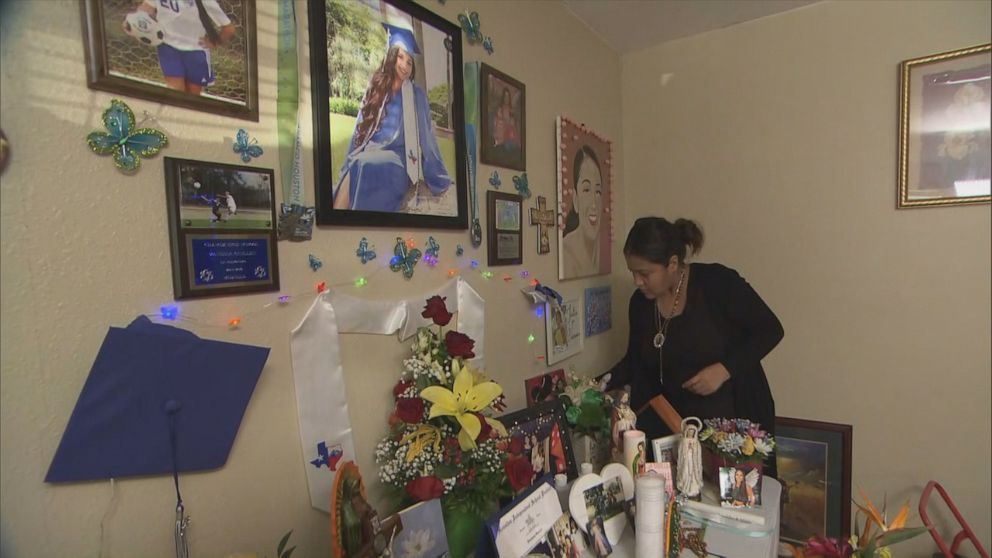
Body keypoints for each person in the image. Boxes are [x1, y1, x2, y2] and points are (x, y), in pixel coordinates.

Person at [598, 217, 784, 478]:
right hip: (676, 433)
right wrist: (594, 386)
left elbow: (771, 330)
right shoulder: (640, 305)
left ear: (672, 264)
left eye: (645, 273)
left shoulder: (718, 284)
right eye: (632, 272)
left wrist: (723, 370)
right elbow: (635, 363)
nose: (637, 281)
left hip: (734, 430)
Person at [333, 24, 452, 212]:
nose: (404, 65)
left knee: (362, 163)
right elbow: (359, 128)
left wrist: (439, 177)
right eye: (401, 57)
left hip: (398, 161)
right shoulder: (376, 87)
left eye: (409, 62)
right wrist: (348, 160)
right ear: (392, 56)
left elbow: (427, 138)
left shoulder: (416, 95)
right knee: (354, 164)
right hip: (369, 151)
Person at [130, 0, 236, 94]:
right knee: (175, 93)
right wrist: (133, 22)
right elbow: (147, 7)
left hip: (195, 52)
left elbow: (229, 29)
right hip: (167, 47)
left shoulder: (206, 2)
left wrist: (214, 43)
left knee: (193, 97)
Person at [561, 146, 604, 278]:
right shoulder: (567, 253)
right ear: (575, 199)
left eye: (597, 191)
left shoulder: (602, 249)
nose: (593, 203)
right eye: (586, 190)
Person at [610, 391, 636, 460]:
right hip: (620, 432)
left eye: (626, 397)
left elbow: (633, 416)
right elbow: (615, 422)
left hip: (628, 430)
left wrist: (630, 418)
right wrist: (623, 421)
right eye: (624, 397)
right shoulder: (616, 410)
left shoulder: (627, 408)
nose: (625, 399)